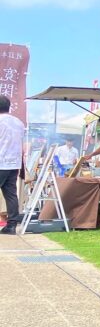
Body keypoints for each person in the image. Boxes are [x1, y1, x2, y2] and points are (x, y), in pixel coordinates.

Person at [0, 97, 26, 234]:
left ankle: (10, 224)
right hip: (13, 163)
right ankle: (11, 225)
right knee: (11, 194)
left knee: (10, 194)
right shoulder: (19, 123)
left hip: (1, 162)